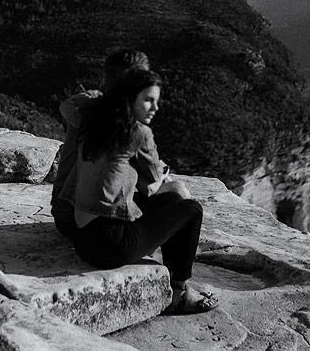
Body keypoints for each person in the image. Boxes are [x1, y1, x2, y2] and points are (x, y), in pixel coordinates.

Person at [61, 67, 217, 315]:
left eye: (156, 100)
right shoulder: (138, 132)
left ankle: (174, 274)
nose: (155, 108)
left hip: (82, 238)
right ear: (129, 99)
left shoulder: (93, 120)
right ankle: (177, 292)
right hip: (110, 246)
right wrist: (163, 173)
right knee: (191, 209)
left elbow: (67, 106)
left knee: (173, 199)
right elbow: (155, 181)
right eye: (148, 100)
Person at [52, 49, 189, 239]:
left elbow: (65, 107)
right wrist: (161, 172)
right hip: (94, 223)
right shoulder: (128, 128)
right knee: (178, 191)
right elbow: (148, 184)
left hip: (65, 215)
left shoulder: (89, 108)